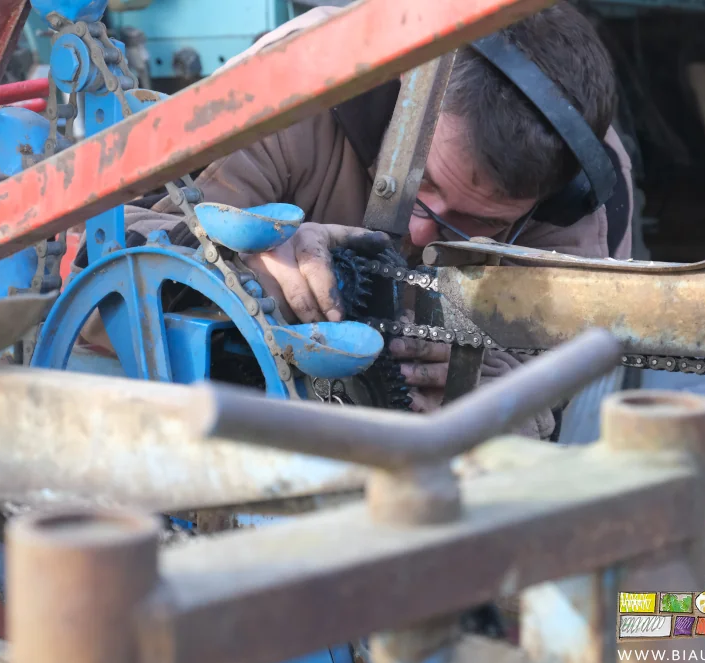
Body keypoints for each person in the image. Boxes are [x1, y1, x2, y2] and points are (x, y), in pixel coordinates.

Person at [72, 2, 633, 440]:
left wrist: (502, 397)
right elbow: (96, 259)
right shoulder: (298, 89)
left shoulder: (585, 195)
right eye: (422, 187)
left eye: (473, 221)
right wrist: (252, 264)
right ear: (403, 99)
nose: (419, 233)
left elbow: (562, 375)